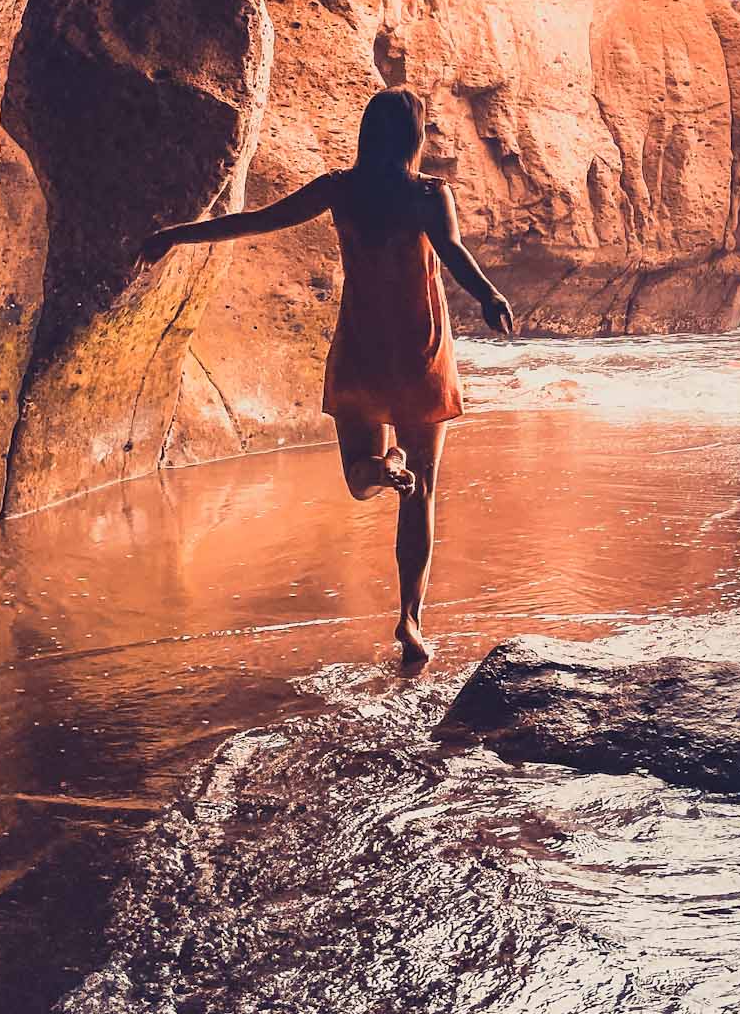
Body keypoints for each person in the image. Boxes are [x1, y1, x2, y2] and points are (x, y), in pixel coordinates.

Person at [138, 89, 513, 665]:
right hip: (420, 355)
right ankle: (411, 620)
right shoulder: (429, 196)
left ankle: (382, 470)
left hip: (361, 353)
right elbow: (454, 253)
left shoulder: (340, 189)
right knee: (425, 493)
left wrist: (176, 234)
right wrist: (488, 296)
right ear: (415, 138)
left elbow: (254, 223)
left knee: (358, 481)